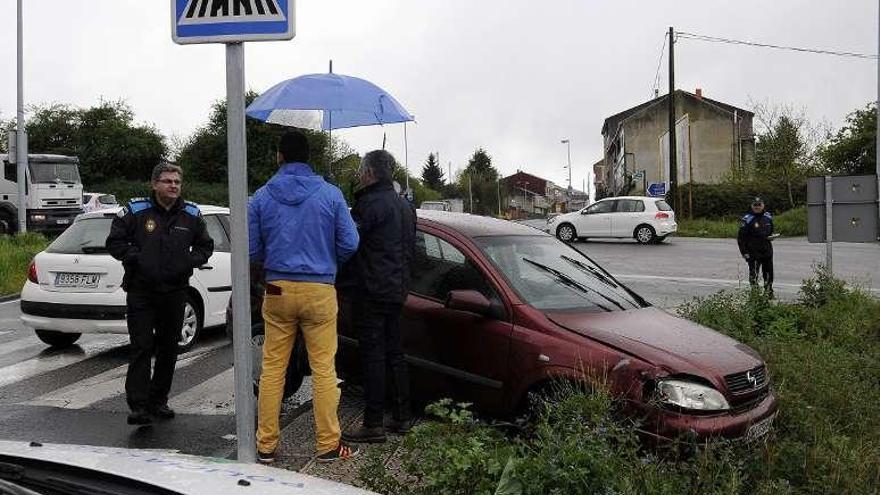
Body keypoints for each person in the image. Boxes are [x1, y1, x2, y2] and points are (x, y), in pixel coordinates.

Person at [248, 130, 360, 464]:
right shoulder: (330, 194)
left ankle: (266, 445)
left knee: (273, 369)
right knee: (324, 368)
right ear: (307, 157)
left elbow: (253, 249)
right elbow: (351, 243)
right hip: (320, 289)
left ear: (279, 156)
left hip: (277, 288)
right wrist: (326, 260)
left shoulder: (262, 197)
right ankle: (327, 444)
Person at [106, 163, 214, 426]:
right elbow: (115, 242)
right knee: (141, 347)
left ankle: (159, 400)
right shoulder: (136, 210)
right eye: (167, 181)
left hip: (175, 291)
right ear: (154, 185)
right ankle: (139, 406)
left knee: (168, 348)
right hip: (141, 290)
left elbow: (205, 246)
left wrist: (187, 262)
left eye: (177, 181)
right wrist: (137, 258)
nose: (173, 186)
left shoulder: (191, 214)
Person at [339, 150, 417, 444]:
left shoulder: (368, 205)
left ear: (370, 173)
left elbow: (349, 244)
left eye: (361, 171)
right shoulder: (405, 206)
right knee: (395, 352)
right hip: (398, 288)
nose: (359, 176)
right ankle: (402, 416)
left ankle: (373, 422)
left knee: (373, 354)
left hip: (371, 289)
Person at [737, 197, 775, 297]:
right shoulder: (747, 219)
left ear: (763, 205)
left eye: (759, 205)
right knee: (754, 274)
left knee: (768, 273)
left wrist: (771, 237)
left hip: (766, 250)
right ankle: (755, 294)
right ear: (752, 206)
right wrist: (744, 252)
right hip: (753, 252)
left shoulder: (768, 217)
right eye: (755, 205)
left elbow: (771, 230)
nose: (757, 207)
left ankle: (768, 291)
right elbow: (741, 238)